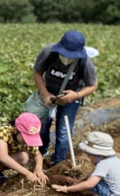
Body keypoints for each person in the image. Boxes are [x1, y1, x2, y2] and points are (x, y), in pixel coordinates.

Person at [32, 30, 99, 164]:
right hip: (48, 92)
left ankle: (58, 161)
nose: (67, 57)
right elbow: (37, 72)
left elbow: (93, 85)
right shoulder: (48, 53)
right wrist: (45, 94)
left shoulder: (84, 61)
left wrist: (76, 95)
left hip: (71, 97)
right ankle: (40, 153)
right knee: (42, 126)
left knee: (63, 130)